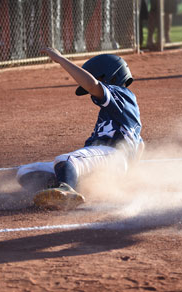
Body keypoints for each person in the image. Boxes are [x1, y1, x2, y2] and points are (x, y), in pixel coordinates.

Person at [17, 47, 144, 210]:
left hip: (112, 156)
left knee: (66, 160)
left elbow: (92, 85)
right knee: (26, 171)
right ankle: (67, 187)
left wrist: (61, 59)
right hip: (105, 163)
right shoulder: (123, 109)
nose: (91, 94)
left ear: (108, 76)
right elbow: (140, 145)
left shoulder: (122, 93)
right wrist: (127, 175)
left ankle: (66, 191)